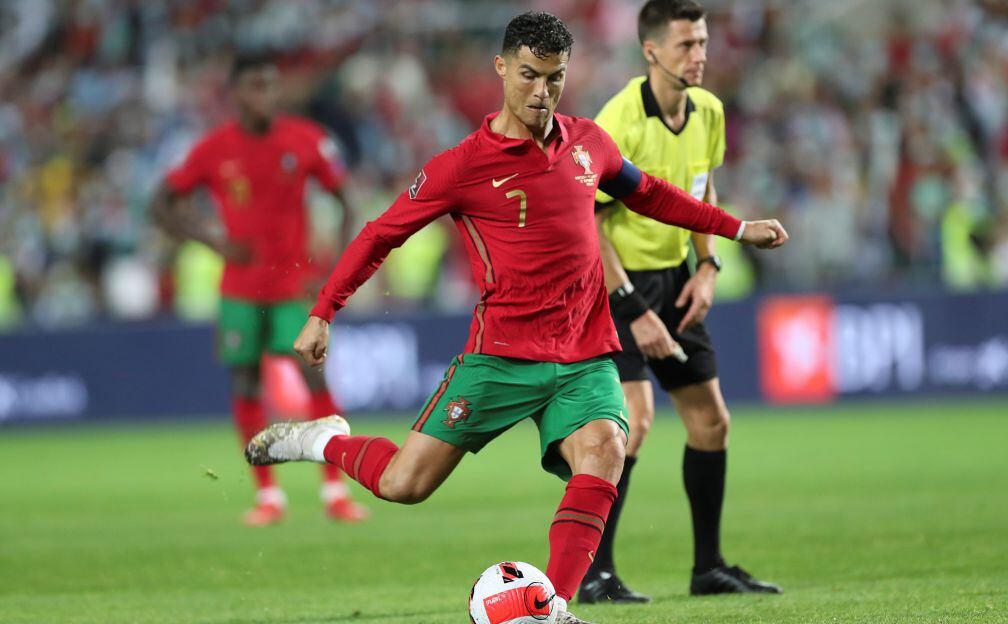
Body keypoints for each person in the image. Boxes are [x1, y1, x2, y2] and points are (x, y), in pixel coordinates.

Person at [244, 12, 786, 623]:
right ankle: (323, 439)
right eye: (528, 75)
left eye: (554, 79)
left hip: (583, 352)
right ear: (501, 68)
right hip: (501, 356)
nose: (541, 92)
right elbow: (380, 233)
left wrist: (736, 228)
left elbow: (652, 194)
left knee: (607, 447)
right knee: (405, 485)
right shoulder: (463, 165)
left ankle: (550, 608)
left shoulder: (589, 145)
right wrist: (324, 312)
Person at [580, 0, 782, 603]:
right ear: (650, 52)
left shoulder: (709, 112)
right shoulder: (618, 122)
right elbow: (587, 223)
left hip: (675, 278)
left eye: (702, 43)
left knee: (711, 422)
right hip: (615, 284)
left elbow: (701, 190)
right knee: (632, 423)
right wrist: (635, 308)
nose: (698, 55)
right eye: (685, 45)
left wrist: (710, 265)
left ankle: (708, 568)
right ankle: (594, 576)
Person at [152, 53, 368, 526]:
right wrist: (212, 239)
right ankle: (269, 496)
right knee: (246, 384)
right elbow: (161, 202)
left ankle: (335, 490)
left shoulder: (306, 139)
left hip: (294, 289)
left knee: (315, 379)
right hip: (240, 292)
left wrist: (331, 267)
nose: (265, 96)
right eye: (255, 86)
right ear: (236, 93)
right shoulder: (213, 149)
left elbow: (346, 198)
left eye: (271, 86)